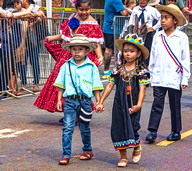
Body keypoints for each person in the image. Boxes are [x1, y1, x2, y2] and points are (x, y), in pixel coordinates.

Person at [34, 0, 104, 114]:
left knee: (80, 84)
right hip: (67, 57)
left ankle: (78, 113)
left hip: (83, 59)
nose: (84, 12)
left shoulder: (93, 24)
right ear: (76, 8)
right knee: (64, 83)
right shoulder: (72, 18)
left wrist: (100, 56)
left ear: (91, 8)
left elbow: (96, 43)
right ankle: (68, 111)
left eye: (87, 10)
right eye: (81, 9)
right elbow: (64, 36)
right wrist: (52, 38)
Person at [96, 34, 150, 167]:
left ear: (138, 54)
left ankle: (136, 146)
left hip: (133, 103)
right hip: (119, 103)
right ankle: (123, 157)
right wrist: (100, 101)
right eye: (125, 51)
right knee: (118, 128)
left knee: (133, 127)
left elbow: (142, 89)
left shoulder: (141, 71)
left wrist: (138, 105)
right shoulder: (117, 70)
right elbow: (109, 86)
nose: (128, 54)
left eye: (131, 51)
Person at [54, 34, 103, 165]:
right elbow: (60, 84)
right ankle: (66, 155)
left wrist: (99, 102)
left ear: (87, 50)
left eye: (80, 49)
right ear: (70, 50)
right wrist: (59, 100)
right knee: (68, 127)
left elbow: (96, 86)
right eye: (74, 49)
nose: (77, 52)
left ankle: (87, 150)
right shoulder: (65, 66)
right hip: (69, 101)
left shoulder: (91, 67)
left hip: (85, 101)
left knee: (84, 127)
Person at [145, 4, 190, 143]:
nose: (162, 21)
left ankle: (176, 131)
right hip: (159, 76)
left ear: (175, 20)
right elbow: (153, 57)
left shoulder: (181, 37)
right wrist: (151, 75)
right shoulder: (158, 36)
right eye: (162, 18)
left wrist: (185, 79)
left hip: (174, 77)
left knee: (174, 104)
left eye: (166, 18)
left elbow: (185, 59)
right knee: (157, 104)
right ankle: (152, 131)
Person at [17, 0, 46, 93]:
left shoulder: (35, 7)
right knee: (22, 61)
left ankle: (36, 83)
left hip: (33, 38)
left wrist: (34, 17)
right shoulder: (19, 9)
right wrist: (33, 16)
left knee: (34, 61)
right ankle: (23, 82)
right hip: (21, 38)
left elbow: (42, 15)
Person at [129, 0, 161, 66]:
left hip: (147, 34)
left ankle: (146, 67)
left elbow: (161, 18)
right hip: (136, 34)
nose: (142, 1)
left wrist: (153, 28)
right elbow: (131, 22)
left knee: (147, 51)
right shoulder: (135, 9)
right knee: (137, 51)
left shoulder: (152, 10)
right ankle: (137, 67)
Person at [102, 0, 129, 79]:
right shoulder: (116, 0)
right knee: (111, 50)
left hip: (110, 28)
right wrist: (128, 8)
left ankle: (107, 70)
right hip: (112, 29)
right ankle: (108, 71)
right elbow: (124, 13)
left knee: (111, 49)